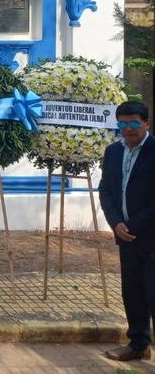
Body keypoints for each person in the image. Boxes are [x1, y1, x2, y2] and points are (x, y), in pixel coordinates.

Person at [99, 100, 155, 361]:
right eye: (123, 123)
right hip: (125, 237)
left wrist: (131, 224)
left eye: (134, 123)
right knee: (132, 291)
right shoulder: (112, 152)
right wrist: (115, 223)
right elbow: (106, 190)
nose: (128, 128)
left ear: (146, 123)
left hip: (150, 235)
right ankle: (138, 344)